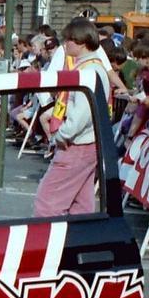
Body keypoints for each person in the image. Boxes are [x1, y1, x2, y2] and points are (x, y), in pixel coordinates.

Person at [33, 18, 108, 217]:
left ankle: (46, 244)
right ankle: (78, 244)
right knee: (81, 205)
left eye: (69, 40)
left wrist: (60, 135)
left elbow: (80, 115)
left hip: (77, 144)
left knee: (48, 202)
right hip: (88, 143)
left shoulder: (89, 71)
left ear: (82, 41)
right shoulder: (92, 68)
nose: (65, 44)